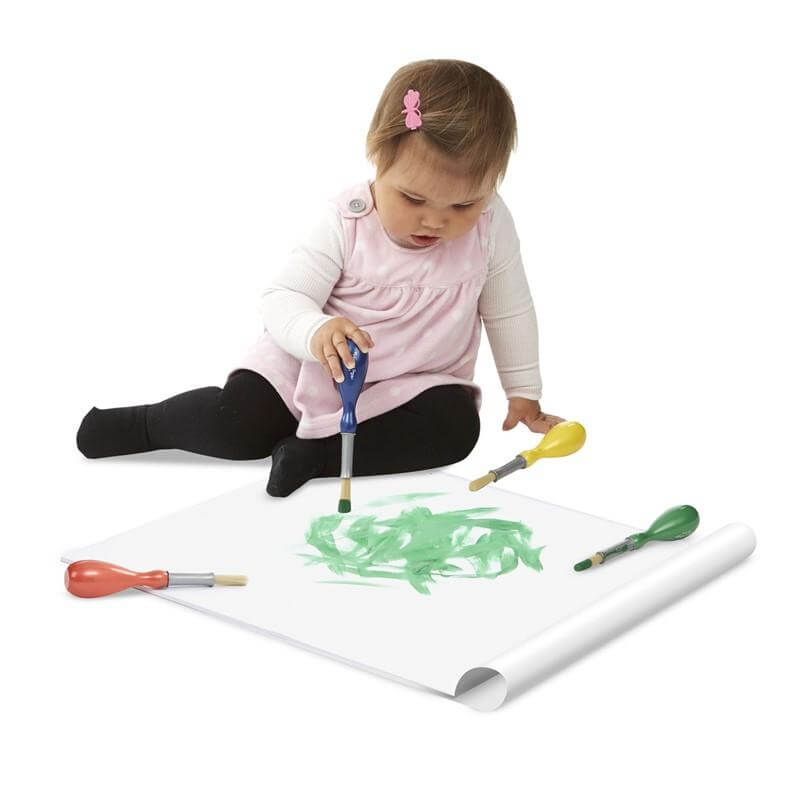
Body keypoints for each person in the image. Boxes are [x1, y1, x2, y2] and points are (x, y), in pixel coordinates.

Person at [76, 58, 564, 497]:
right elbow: (282, 296)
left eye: (463, 204)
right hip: (308, 367)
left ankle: (315, 458)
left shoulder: (491, 225)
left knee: (456, 431)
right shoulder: (347, 222)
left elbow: (509, 308)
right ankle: (145, 424)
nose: (435, 221)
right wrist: (317, 332)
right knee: (237, 426)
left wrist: (523, 391)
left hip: (413, 385)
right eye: (413, 199)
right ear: (379, 158)